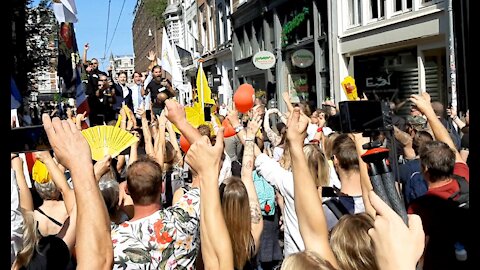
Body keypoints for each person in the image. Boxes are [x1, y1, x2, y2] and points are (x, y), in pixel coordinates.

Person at [407, 93, 470, 270]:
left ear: (424, 169)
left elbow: (417, 253)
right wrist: (429, 111)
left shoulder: (419, 207)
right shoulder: (463, 178)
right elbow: (449, 145)